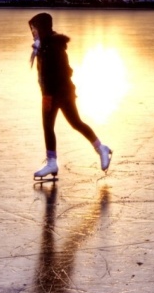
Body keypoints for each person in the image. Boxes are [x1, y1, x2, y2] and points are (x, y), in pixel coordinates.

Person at [28, 13, 111, 179]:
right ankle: (53, 162)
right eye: (31, 29)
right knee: (54, 125)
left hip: (60, 93)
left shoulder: (51, 46)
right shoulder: (43, 45)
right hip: (55, 92)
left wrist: (49, 95)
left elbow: (63, 71)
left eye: (34, 29)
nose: (33, 32)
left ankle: (101, 149)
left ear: (42, 28)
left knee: (73, 123)